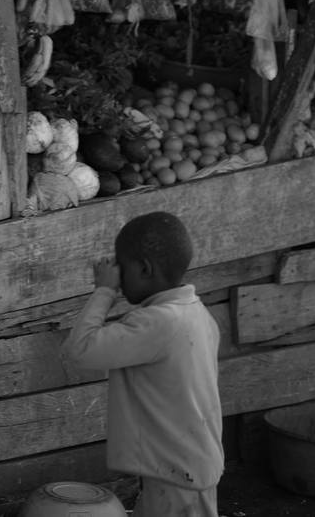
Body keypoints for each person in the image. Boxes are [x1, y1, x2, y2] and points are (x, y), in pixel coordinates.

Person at [61, 211, 223, 517]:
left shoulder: (159, 323)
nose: (119, 277)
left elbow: (80, 350)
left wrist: (104, 291)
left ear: (145, 269)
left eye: (122, 267)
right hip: (185, 466)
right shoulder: (197, 314)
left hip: (177, 473)